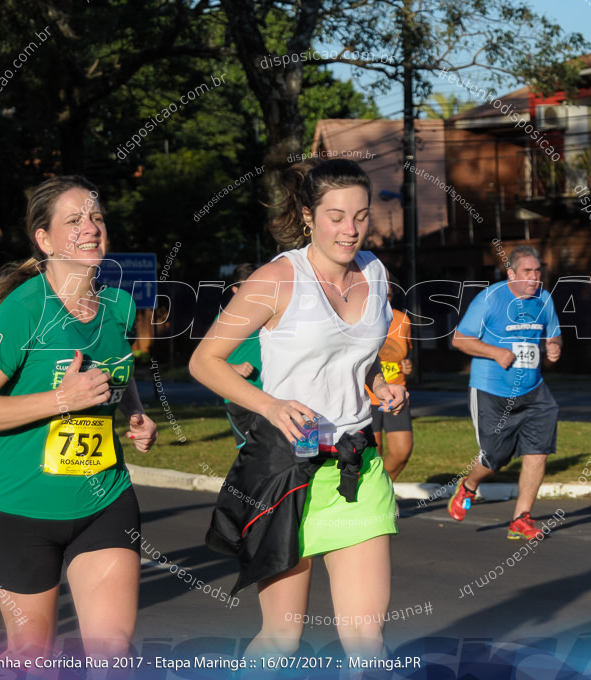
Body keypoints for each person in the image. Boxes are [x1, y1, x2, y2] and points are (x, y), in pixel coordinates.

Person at [190, 158, 407, 661]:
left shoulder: (375, 273)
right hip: (289, 471)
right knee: (283, 641)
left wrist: (379, 384)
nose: (349, 229)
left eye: (360, 215)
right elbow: (205, 360)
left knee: (367, 643)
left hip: (357, 469)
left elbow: (359, 352)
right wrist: (269, 404)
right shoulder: (277, 279)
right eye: (335, 216)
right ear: (308, 215)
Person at [0, 176, 158, 663]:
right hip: (21, 510)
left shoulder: (120, 305)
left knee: (112, 655)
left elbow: (117, 372)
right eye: (74, 221)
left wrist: (134, 412)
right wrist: (60, 400)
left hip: (104, 501)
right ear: (44, 240)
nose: (91, 228)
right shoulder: (22, 309)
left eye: (96, 218)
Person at [446, 245, 562, 540]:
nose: (535, 278)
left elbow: (553, 333)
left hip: (534, 390)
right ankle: (469, 486)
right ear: (511, 273)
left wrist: (553, 346)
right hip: (492, 390)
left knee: (537, 453)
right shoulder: (490, 299)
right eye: (527, 272)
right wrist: (495, 352)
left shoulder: (544, 299)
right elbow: (460, 339)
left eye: (538, 272)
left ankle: (521, 519)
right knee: (495, 457)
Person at [365, 278, 414, 480]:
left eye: (389, 292)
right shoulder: (362, 318)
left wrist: (408, 365)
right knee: (372, 457)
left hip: (396, 394)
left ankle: (383, 489)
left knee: (402, 451)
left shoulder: (402, 320)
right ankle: (373, 499)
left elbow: (407, 353)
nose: (386, 296)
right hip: (367, 396)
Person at [223, 263, 263, 448]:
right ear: (235, 290)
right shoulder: (227, 321)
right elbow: (202, 362)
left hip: (271, 395)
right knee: (252, 455)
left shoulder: (269, 315)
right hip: (240, 399)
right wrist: (234, 367)